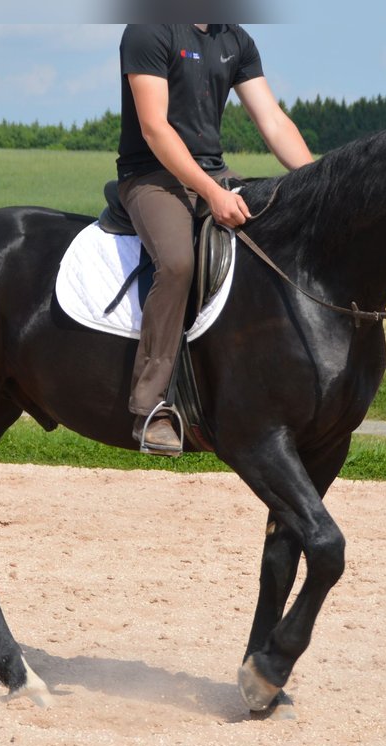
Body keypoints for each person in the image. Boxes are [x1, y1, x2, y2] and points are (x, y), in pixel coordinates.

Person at [116, 23, 314, 454]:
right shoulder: (150, 31)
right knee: (178, 263)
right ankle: (150, 406)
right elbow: (154, 129)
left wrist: (318, 184)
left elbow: (273, 121)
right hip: (151, 177)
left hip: (214, 173)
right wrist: (212, 192)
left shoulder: (236, 40)